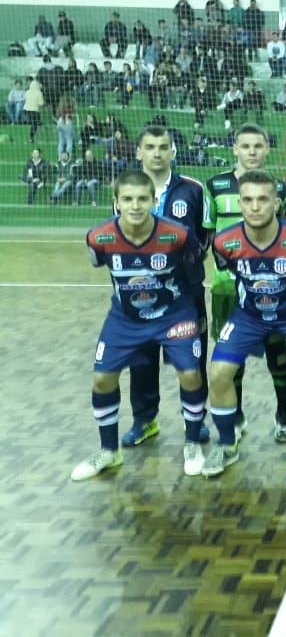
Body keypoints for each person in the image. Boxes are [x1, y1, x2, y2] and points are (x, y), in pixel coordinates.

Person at [71, 170, 206, 481]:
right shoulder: (98, 237)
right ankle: (109, 451)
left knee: (190, 372)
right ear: (116, 202)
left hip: (174, 314)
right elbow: (100, 265)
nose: (135, 206)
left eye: (142, 199)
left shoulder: (178, 235)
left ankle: (192, 443)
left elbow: (193, 273)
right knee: (102, 378)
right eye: (127, 199)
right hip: (125, 318)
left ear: (154, 200)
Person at [202, 169, 286, 477]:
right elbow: (229, 269)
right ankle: (226, 444)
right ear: (239, 202)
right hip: (249, 315)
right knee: (220, 372)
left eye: (263, 199)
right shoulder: (224, 242)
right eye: (247, 200)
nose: (255, 206)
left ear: (276, 203)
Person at [121, 124, 215, 449]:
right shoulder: (128, 190)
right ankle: (144, 420)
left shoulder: (192, 189)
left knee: (191, 360)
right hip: (142, 295)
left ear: (173, 151)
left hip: (185, 294)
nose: (157, 153)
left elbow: (204, 236)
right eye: (150, 147)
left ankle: (196, 419)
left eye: (163, 147)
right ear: (139, 152)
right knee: (142, 360)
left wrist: (184, 267)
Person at [206, 124, 286, 442]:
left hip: (268, 287)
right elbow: (207, 234)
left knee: (275, 347)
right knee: (232, 354)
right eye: (246, 146)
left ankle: (283, 412)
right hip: (227, 288)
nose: (252, 152)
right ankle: (238, 412)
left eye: (258, 146)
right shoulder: (215, 186)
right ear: (235, 149)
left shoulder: (280, 190)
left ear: (267, 149)